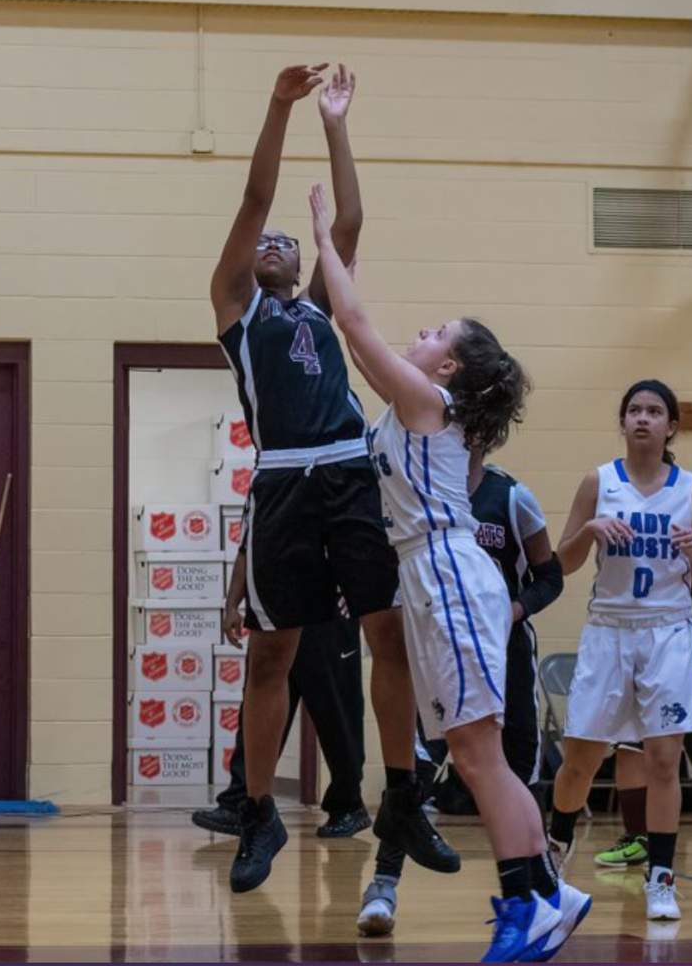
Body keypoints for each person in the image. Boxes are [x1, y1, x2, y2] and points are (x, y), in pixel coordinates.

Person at [308, 182, 590, 963]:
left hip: (446, 572)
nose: (419, 333)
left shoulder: (428, 401)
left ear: (450, 362)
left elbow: (356, 324)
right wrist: (339, 238)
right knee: (481, 752)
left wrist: (322, 234)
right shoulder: (413, 406)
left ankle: (523, 906)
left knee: (475, 755)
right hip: (433, 576)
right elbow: (345, 321)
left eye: (434, 331)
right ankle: (545, 895)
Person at [211, 64, 456, 894]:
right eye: (268, 240)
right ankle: (257, 810)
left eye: (287, 238)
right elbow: (251, 201)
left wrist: (336, 123)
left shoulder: (317, 301)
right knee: (270, 656)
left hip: (351, 473)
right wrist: (276, 107)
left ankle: (403, 795)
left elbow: (348, 219)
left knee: (387, 635)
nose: (276, 240)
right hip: (283, 484)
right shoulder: (237, 306)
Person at [358, 450, 564, 936]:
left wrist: (512, 610)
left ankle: (539, 891)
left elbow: (549, 576)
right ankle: (383, 885)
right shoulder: (414, 493)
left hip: (505, 650)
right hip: (435, 646)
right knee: (414, 766)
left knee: (517, 771)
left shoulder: (511, 495)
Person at [547, 380, 692, 921]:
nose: (642, 418)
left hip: (668, 631)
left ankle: (660, 879)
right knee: (581, 760)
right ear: (623, 423)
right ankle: (556, 850)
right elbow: (562, 565)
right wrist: (588, 529)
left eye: (654, 410)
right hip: (609, 629)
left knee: (663, 760)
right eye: (634, 410)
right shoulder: (599, 481)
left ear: (670, 427)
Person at [192, 550, 371, 839]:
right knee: (258, 712)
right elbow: (246, 551)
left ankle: (348, 805)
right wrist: (231, 606)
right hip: (277, 611)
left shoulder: (336, 503)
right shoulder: (261, 505)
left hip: (329, 616)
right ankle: (241, 802)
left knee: (338, 713)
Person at [593, 585, 692, 869]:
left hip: (688, 652)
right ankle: (638, 838)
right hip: (641, 649)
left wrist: (688, 637)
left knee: (684, 754)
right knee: (629, 746)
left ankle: (660, 864)